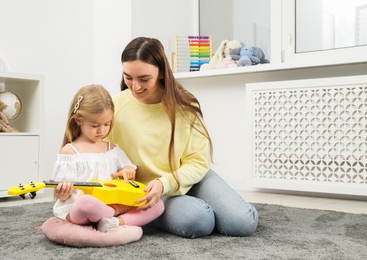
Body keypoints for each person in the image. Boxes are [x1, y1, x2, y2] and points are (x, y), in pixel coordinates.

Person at [106, 37, 258, 238]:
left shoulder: (185, 106)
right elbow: (100, 153)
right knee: (200, 219)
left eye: (144, 79)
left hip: (191, 178)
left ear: (161, 72)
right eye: (128, 77)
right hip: (148, 192)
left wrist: (166, 182)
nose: (135, 87)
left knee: (243, 223)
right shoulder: (114, 107)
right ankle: (164, 213)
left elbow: (197, 161)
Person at [51, 84, 164, 234]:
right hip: (82, 210)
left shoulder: (112, 149)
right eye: (95, 125)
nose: (102, 130)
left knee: (157, 205)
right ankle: (113, 217)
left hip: (112, 206)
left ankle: (114, 222)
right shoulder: (70, 152)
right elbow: (61, 195)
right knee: (86, 202)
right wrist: (63, 192)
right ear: (78, 120)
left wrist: (127, 171)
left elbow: (128, 169)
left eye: (107, 124)